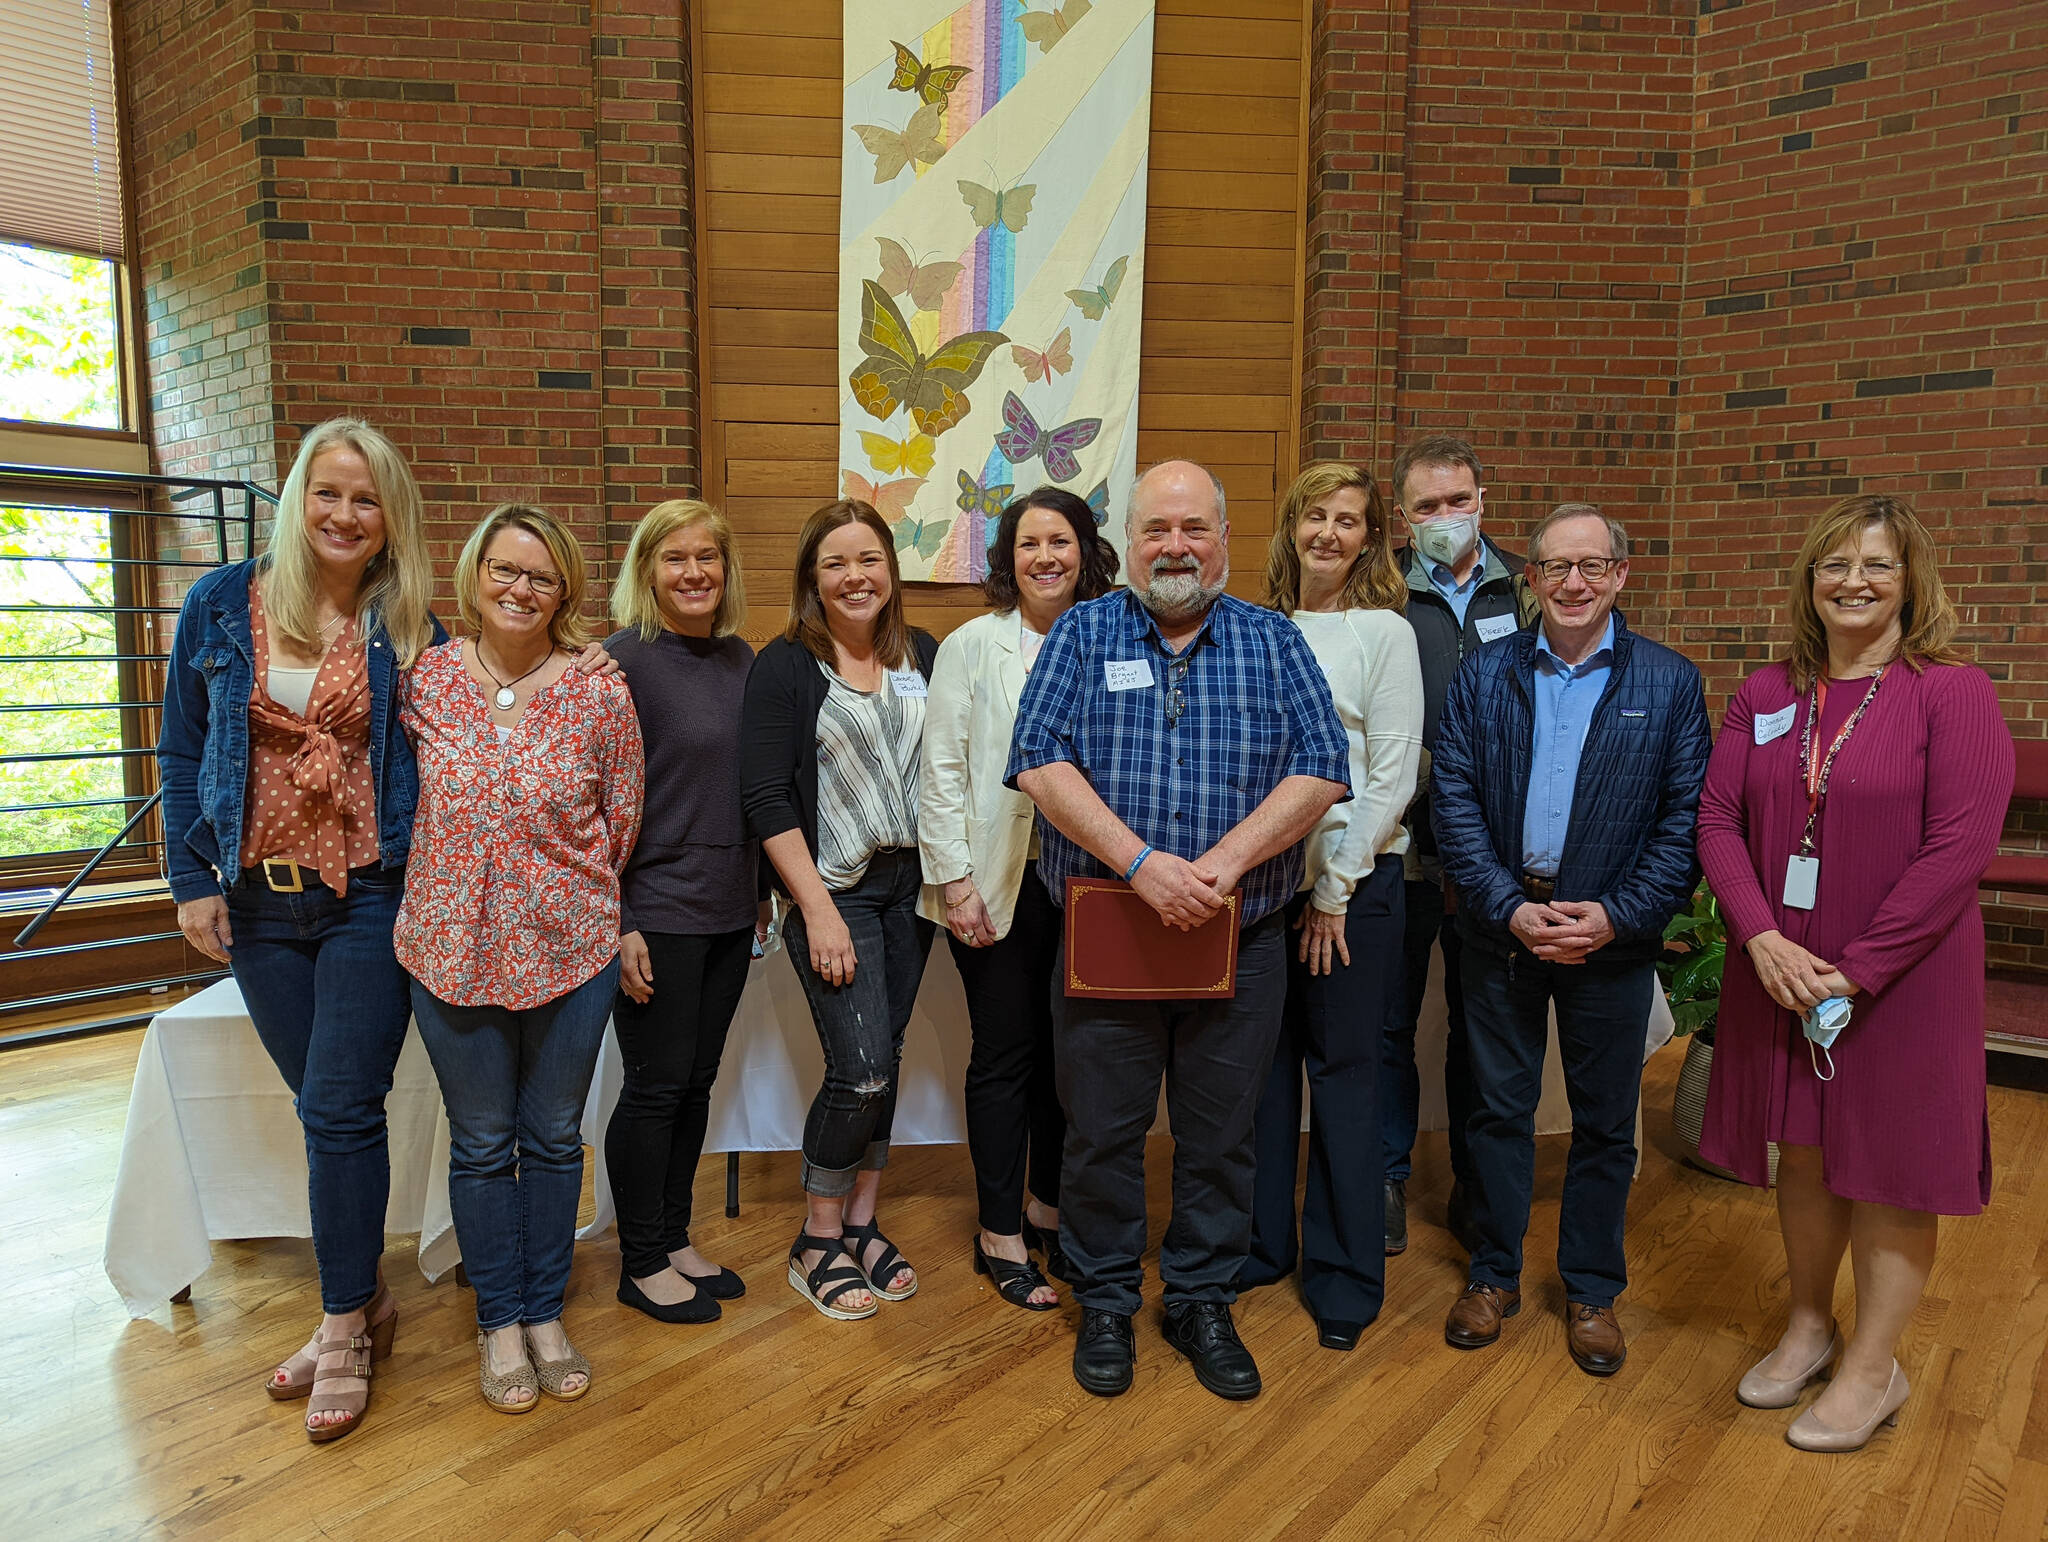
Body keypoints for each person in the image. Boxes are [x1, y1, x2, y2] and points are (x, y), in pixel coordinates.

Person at [1007, 460, 1351, 1402]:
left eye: (1194, 528)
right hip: (1107, 931)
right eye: (1157, 529)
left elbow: (1323, 765)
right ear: (1132, 542)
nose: (1175, 547)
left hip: (1239, 937)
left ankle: (1200, 1298)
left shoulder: (1273, 640)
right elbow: (1037, 760)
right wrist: (1142, 866)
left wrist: (1222, 867)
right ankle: (1109, 1300)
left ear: (1225, 541)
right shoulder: (1082, 632)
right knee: (1102, 1135)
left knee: (1220, 1137)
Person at [1695, 494, 2014, 1452]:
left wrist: (1858, 969)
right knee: (1807, 1151)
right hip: (1783, 970)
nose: (1854, 582)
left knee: (1892, 1167)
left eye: (1877, 564)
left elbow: (1961, 847)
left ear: (1912, 581)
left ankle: (1875, 1369)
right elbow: (1718, 821)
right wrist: (1757, 938)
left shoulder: (1950, 692)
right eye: (1834, 564)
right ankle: (1809, 1324)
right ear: (1809, 579)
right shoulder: (1765, 694)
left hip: (1903, 976)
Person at [159, 416, 438, 1444]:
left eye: (366, 499)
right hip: (258, 901)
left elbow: (445, 763)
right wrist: (190, 879)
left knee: (337, 1105)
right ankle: (363, 1298)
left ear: (389, 517)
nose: (344, 513)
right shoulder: (220, 604)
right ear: (296, 498)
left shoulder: (409, 623)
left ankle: (342, 1329)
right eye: (327, 492)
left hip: (370, 893)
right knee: (324, 1109)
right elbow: (182, 751)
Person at [1430, 503, 1710, 1377]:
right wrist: (1507, 905)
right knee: (1498, 1114)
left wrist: (1618, 916)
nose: (1575, 583)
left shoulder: (1668, 683)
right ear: (1533, 579)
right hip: (1503, 931)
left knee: (1603, 1127)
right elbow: (1456, 802)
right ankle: (1493, 1275)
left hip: (1610, 941)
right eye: (1557, 568)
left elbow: (1684, 823)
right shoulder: (1486, 677)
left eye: (1593, 567)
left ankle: (1591, 1290)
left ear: (1621, 576)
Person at [396, 504, 644, 1414]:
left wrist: (565, 898)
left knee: (550, 1138)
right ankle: (497, 1318)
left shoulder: (598, 687)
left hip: (571, 952)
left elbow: (623, 817)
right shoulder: (423, 682)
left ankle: (544, 1311)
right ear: (473, 575)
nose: (519, 588)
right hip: (447, 948)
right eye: (504, 569)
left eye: (539, 576)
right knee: (481, 1141)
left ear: (564, 589)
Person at [918, 487, 1120, 1311]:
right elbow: (938, 768)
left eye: (1062, 541)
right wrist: (955, 881)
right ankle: (1000, 1226)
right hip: (996, 883)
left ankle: (1047, 1200)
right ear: (1008, 558)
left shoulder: (1117, 639)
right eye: (1030, 543)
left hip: (1094, 884)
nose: (1046, 557)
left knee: (1072, 1055)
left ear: (1086, 552)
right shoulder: (972, 646)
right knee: (1007, 1054)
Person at [739, 499, 939, 1322]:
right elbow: (764, 794)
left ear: (891, 571)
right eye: (835, 563)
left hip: (912, 888)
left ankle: (862, 1220)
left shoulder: (920, 653)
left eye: (869, 560)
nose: (855, 577)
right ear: (811, 580)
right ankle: (817, 1238)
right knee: (857, 1069)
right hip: (836, 889)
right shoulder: (784, 665)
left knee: (885, 1056)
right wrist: (813, 908)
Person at [1240, 462, 1423, 1351]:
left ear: (1370, 538)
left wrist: (1336, 889)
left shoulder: (1383, 633)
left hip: (1353, 888)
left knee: (1343, 1077)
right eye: (1315, 515)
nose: (1329, 533)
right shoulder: (1256, 628)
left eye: (1349, 521)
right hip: (1262, 887)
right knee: (1262, 1075)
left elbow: (1391, 774)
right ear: (1291, 526)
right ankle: (1263, 1242)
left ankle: (1346, 1275)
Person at [602, 499, 768, 1325]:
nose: (694, 572)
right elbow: (593, 802)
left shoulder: (742, 660)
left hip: (731, 909)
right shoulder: (616, 664)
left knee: (697, 1082)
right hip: (655, 909)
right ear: (648, 569)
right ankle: (638, 1260)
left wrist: (762, 894)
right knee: (655, 1086)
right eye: (675, 558)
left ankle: (673, 1237)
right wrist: (620, 916)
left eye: (708, 556)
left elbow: (754, 791)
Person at [1384, 434, 1537, 1256]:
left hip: (1498, 856)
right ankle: (1384, 1175)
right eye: (1428, 506)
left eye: (1459, 501)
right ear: (1402, 516)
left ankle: (1480, 1188)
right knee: (1388, 1019)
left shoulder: (1534, 584)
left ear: (1484, 499)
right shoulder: (1381, 590)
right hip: (1402, 842)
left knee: (1484, 1028)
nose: (1447, 518)